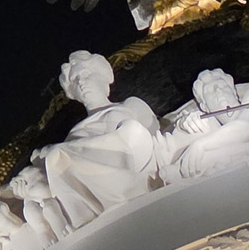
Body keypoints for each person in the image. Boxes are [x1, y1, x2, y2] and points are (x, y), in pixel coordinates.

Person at [36, 51, 161, 232]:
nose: (81, 82)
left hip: (133, 168)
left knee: (130, 128)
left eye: (86, 74)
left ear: (103, 78)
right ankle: (84, 219)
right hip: (96, 182)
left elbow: (153, 137)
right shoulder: (75, 134)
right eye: (75, 80)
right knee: (56, 157)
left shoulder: (129, 106)